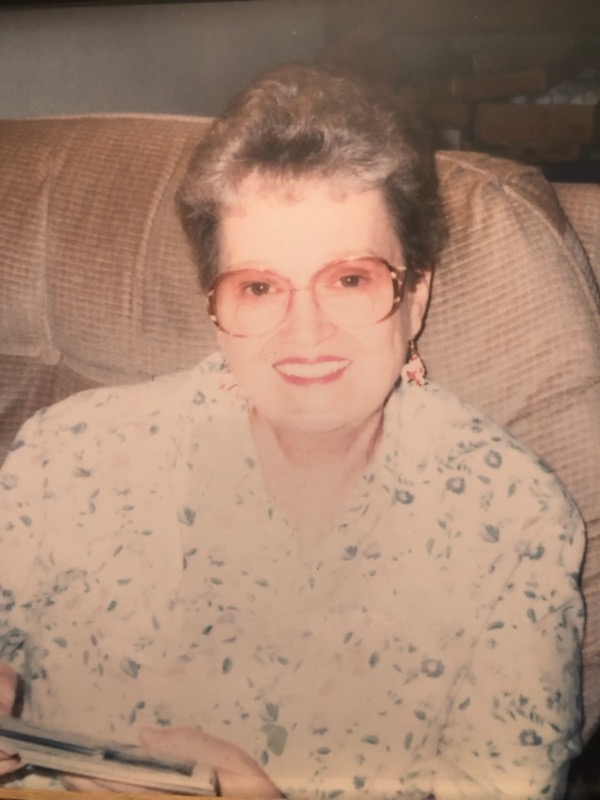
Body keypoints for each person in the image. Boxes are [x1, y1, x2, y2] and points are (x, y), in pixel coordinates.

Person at [0, 63, 585, 800]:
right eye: (259, 287)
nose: (305, 332)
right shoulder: (70, 455)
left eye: (349, 279)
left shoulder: (512, 522)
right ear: (216, 307)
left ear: (415, 296)